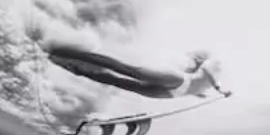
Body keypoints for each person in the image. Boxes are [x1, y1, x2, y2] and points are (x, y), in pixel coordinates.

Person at [45, 43, 227, 100]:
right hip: (178, 80)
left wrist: (202, 94)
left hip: (172, 94)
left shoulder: (210, 81)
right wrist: (220, 90)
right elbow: (207, 74)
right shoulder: (215, 64)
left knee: (117, 81)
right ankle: (76, 54)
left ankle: (71, 66)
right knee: (127, 70)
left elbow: (199, 88)